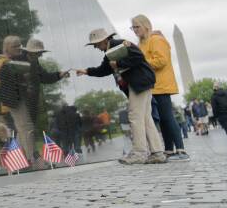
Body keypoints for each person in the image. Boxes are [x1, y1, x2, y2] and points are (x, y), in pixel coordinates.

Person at [76, 28, 165, 165]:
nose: (96, 47)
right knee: (146, 118)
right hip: (138, 84)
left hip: (139, 83)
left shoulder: (121, 44)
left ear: (104, 40)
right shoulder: (108, 53)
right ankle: (157, 152)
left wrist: (118, 64)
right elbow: (103, 70)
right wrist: (86, 71)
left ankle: (139, 153)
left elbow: (138, 57)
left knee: (134, 117)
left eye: (97, 44)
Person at [0, 38, 69, 159]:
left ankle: (18, 158)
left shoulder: (35, 63)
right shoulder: (16, 58)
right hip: (14, 98)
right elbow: (1, 75)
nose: (40, 54)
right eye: (38, 52)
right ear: (30, 51)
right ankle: (32, 157)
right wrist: (20, 76)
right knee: (27, 127)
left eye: (41, 52)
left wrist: (59, 75)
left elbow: (45, 77)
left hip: (26, 100)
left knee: (23, 129)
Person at [130, 15, 188, 160]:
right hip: (151, 86)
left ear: (146, 25)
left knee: (167, 117)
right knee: (162, 119)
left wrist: (140, 63)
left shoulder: (156, 40)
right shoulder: (142, 43)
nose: (135, 30)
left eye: (137, 27)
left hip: (161, 85)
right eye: (133, 27)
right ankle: (169, 150)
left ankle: (181, 151)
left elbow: (161, 61)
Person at [210, 82, 227, 151]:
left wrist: (216, 117)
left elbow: (214, 108)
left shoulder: (214, 96)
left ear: (215, 88)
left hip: (222, 115)